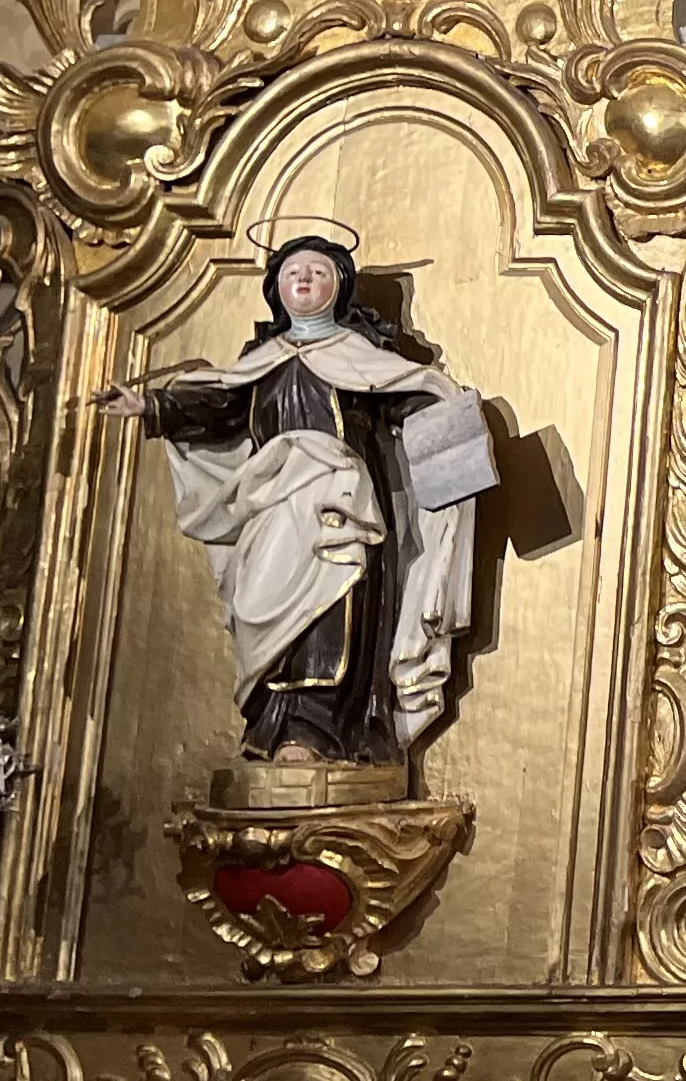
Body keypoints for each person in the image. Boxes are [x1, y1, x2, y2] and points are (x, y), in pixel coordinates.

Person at [100, 226, 498, 765]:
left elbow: (410, 400)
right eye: (293, 272)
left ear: (340, 285)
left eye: (316, 271)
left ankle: (318, 732)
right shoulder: (257, 363)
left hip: (340, 502)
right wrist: (151, 408)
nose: (304, 278)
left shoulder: (361, 357)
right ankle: (272, 726)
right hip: (271, 505)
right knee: (263, 608)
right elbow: (216, 410)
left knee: (333, 608)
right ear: (276, 289)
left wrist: (448, 415)